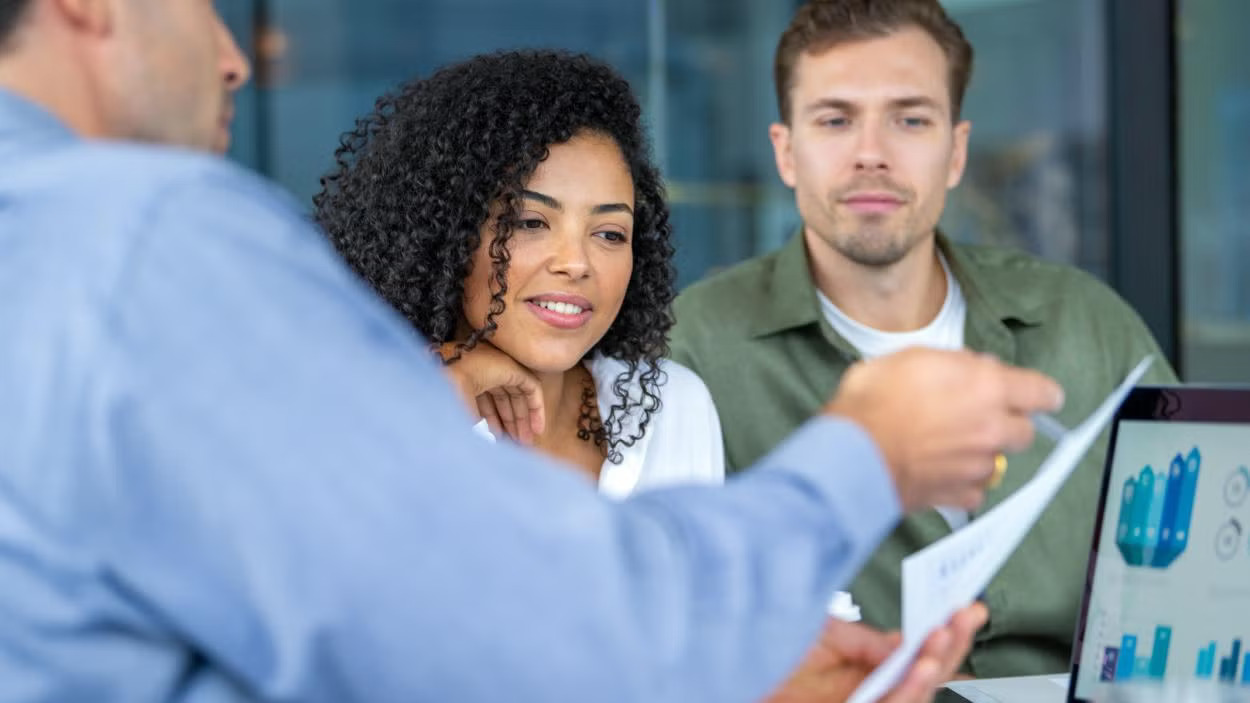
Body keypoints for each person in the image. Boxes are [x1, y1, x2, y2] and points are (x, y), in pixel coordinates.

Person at [0, 0, 1063, 701]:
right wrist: (860, 453)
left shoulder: (49, 247)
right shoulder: (138, 232)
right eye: (201, 3)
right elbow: (507, 627)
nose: (238, 57)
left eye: (610, 230)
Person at [668, 0, 1179, 681]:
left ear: (956, 151)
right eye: (835, 119)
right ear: (786, 153)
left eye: (910, 119)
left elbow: (1208, 559)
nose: (871, 154)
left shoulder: (1086, 322)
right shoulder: (694, 350)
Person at [314, 51, 722, 496]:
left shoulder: (669, 408)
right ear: (447, 233)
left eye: (608, 233)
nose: (576, 262)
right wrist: (426, 394)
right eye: (529, 223)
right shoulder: (360, 422)